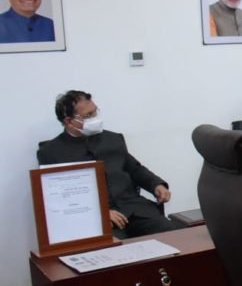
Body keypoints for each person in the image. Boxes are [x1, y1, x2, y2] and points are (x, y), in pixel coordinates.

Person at [36, 91, 183, 239]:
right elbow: (59, 199)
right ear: (69, 121)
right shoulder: (50, 153)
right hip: (96, 220)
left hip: (134, 208)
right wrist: (99, 214)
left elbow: (134, 168)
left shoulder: (113, 139)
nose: (95, 118)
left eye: (95, 112)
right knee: (116, 248)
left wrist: (156, 185)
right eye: (88, 115)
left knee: (173, 235)